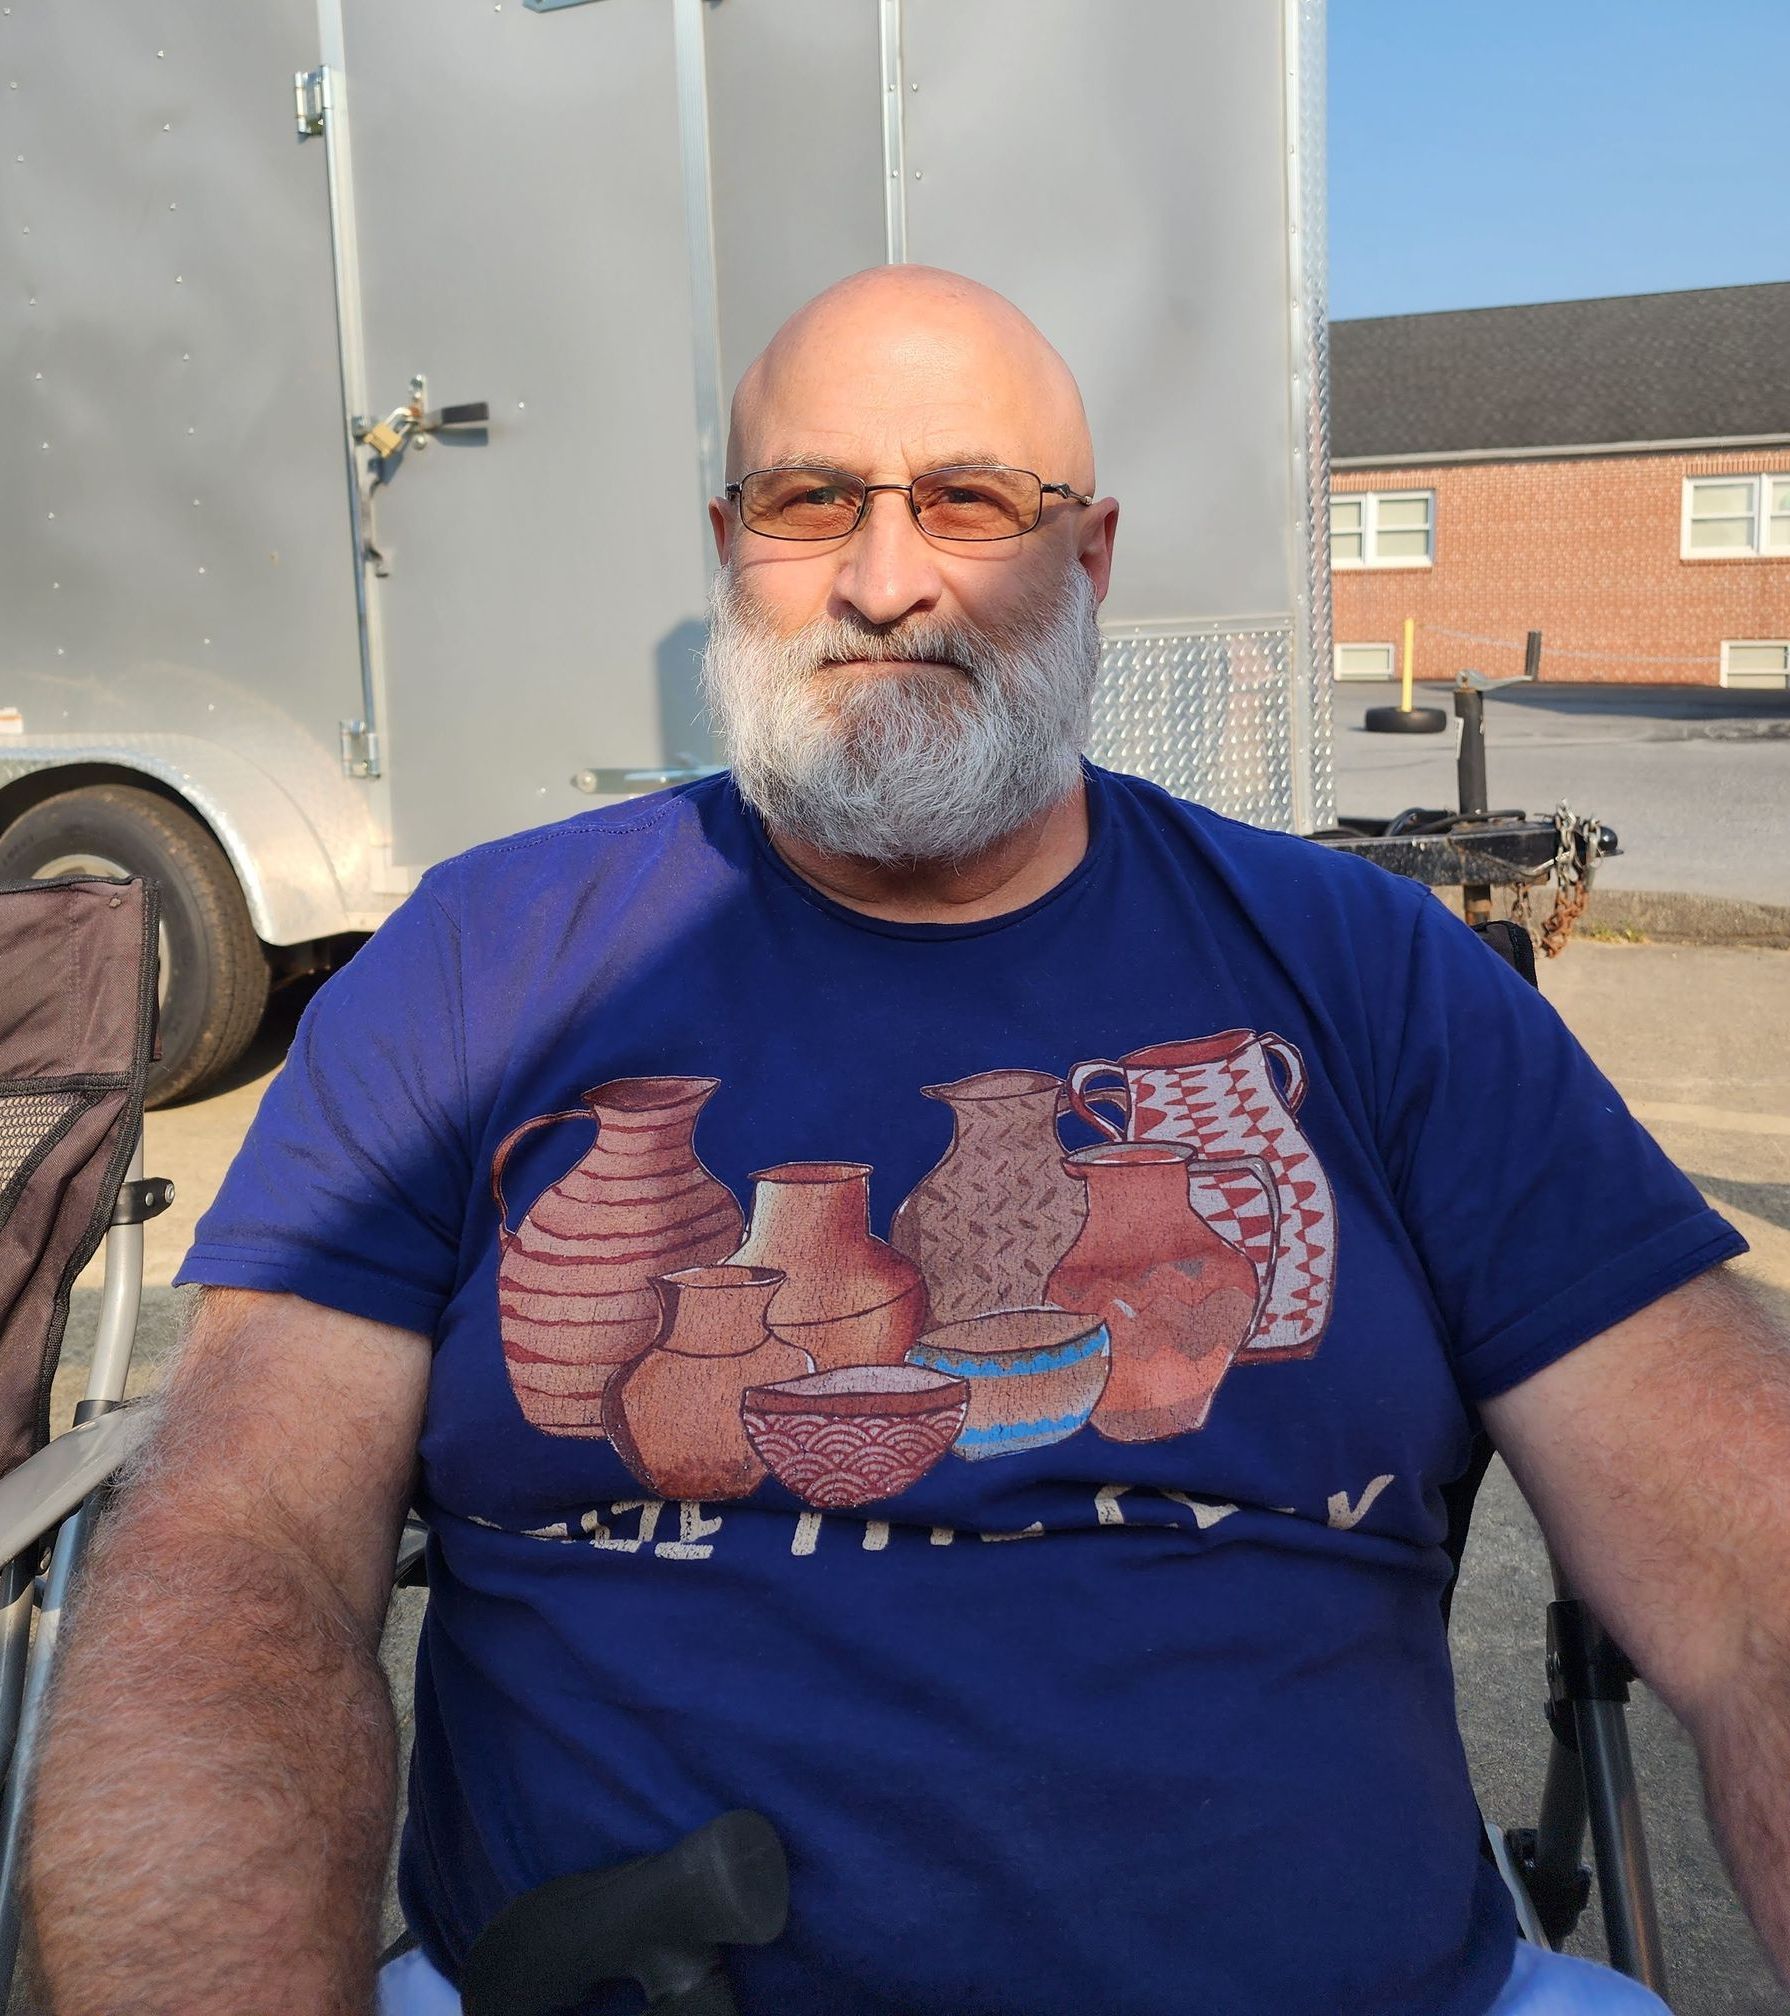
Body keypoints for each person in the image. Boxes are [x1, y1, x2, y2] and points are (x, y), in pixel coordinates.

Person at [22, 267, 1790, 2016]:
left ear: (1087, 559)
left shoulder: (1365, 971)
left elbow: (1750, 1565)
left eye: (970, 501)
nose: (884, 579)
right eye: (809, 504)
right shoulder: (481, 969)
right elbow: (233, 1555)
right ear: (730, 549)